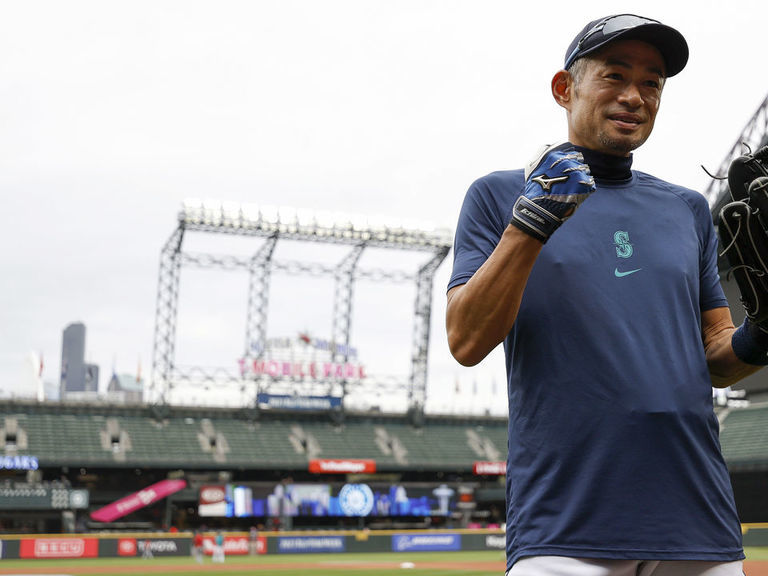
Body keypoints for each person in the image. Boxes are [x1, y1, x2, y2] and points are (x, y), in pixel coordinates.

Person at [446, 14, 765, 576]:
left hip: (698, 517)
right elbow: (466, 340)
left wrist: (763, 332)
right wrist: (531, 225)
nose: (634, 96)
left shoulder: (688, 208)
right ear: (564, 89)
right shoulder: (499, 196)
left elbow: (715, 356)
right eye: (614, 75)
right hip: (566, 522)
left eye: (652, 82)